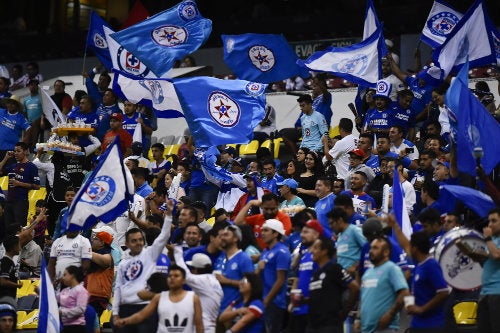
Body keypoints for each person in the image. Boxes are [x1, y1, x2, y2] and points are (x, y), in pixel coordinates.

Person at [112, 200, 173, 333]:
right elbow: (118, 288)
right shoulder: (123, 264)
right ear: (127, 244)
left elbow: (163, 237)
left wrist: (168, 217)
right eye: (134, 241)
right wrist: (115, 312)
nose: (138, 243)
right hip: (125, 308)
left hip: (146, 307)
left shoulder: (150, 254)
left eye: (140, 240)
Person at [115, 265, 204, 333]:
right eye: (170, 276)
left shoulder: (193, 298)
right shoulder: (159, 297)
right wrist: (125, 320)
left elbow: (199, 324)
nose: (172, 278)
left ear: (184, 280)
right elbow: (141, 315)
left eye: (176, 276)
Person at [456, 208, 500, 333]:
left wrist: (487, 239)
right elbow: (485, 259)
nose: (490, 224)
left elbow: (496, 255)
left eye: (494, 221)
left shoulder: (491, 240)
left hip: (497, 293)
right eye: (489, 221)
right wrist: (467, 250)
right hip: (485, 292)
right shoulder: (494, 240)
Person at [308, 235, 359, 333]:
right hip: (313, 325)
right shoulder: (315, 273)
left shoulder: (335, 268)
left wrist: (345, 312)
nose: (311, 251)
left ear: (324, 251)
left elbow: (355, 288)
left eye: (315, 248)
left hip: (330, 326)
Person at [360, 237, 410, 333]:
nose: (370, 251)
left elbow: (404, 293)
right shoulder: (367, 273)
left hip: (385, 328)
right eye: (371, 248)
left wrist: (390, 314)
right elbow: (363, 298)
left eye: (375, 248)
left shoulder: (392, 269)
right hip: (366, 329)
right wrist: (358, 319)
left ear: (386, 252)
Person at [173, 246, 223, 333]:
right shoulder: (215, 282)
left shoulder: (203, 281)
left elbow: (186, 276)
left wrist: (177, 252)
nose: (191, 271)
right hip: (209, 327)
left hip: (202, 327)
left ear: (196, 269)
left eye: (192, 268)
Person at [406, 231, 449, 332]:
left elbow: (443, 292)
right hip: (417, 324)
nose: (408, 249)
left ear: (415, 248)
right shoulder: (419, 265)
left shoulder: (431, 265)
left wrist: (422, 309)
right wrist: (410, 304)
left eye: (410, 246)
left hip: (431, 325)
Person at [287, 219, 323, 333]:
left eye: (306, 232)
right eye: (302, 232)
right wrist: (292, 301)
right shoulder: (304, 255)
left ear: (316, 234)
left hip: (314, 310)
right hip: (298, 309)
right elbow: (297, 279)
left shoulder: (321, 255)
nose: (302, 235)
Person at [256, 219, 291, 333]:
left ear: (276, 233)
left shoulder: (282, 252)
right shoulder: (265, 252)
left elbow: (280, 280)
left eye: (266, 230)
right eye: (262, 230)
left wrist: (267, 300)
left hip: (275, 303)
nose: (262, 233)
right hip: (264, 300)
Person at [214, 225, 254, 314]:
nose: (222, 238)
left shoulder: (244, 259)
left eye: (226, 235)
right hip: (217, 310)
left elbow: (251, 284)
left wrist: (227, 281)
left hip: (235, 310)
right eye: (222, 235)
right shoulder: (220, 257)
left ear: (235, 239)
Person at [0, 142, 40, 229]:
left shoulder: (31, 166)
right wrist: (6, 157)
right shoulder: (12, 166)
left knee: (19, 229)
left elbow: (37, 186)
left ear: (25, 152)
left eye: (18, 151)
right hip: (9, 202)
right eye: (15, 151)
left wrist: (19, 184)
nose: (16, 153)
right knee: (8, 229)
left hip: (21, 202)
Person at [328, 207, 366, 276]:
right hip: (342, 276)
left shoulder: (355, 230)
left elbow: (367, 250)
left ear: (340, 220)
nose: (330, 227)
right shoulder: (340, 235)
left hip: (355, 275)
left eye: (332, 223)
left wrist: (354, 267)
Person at [86, 227, 115, 316]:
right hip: (88, 296)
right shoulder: (91, 256)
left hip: (98, 298)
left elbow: (105, 261)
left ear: (102, 243)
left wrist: (85, 251)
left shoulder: (108, 256)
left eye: (95, 239)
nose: (92, 241)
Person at [57, 265, 89, 333]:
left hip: (77, 327)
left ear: (72, 275)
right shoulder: (65, 290)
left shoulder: (81, 290)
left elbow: (80, 309)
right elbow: (54, 298)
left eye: (65, 275)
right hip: (66, 326)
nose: (63, 278)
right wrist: (41, 291)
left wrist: (62, 312)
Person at [0, 96, 31, 160]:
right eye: (9, 103)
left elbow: (29, 130)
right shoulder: (2, 112)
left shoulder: (20, 117)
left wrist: (23, 145)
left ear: (17, 106)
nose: (10, 105)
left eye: (13, 103)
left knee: (7, 169)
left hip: (10, 150)